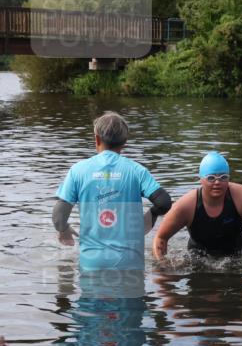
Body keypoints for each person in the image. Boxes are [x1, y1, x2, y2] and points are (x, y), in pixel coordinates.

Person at [52, 111, 171, 271]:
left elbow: (58, 217)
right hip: (130, 264)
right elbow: (163, 202)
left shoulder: (78, 171)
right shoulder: (137, 170)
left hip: (91, 265)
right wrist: (150, 216)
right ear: (124, 142)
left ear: (97, 139)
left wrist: (64, 230)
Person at [152, 151, 242, 259]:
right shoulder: (187, 205)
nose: (217, 183)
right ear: (201, 179)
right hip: (200, 258)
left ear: (229, 178)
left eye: (223, 177)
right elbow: (160, 238)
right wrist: (163, 267)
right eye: (211, 178)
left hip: (239, 255)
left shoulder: (241, 195)